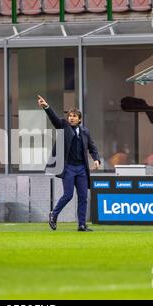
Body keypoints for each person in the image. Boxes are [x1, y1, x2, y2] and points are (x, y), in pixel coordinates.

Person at [37, 95, 100, 232]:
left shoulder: (85, 131)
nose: (71, 118)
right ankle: (53, 214)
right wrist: (46, 107)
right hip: (69, 168)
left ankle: (81, 225)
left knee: (83, 196)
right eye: (70, 116)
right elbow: (54, 119)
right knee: (68, 195)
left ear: (79, 119)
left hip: (82, 168)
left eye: (74, 116)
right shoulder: (63, 126)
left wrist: (96, 159)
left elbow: (92, 147)